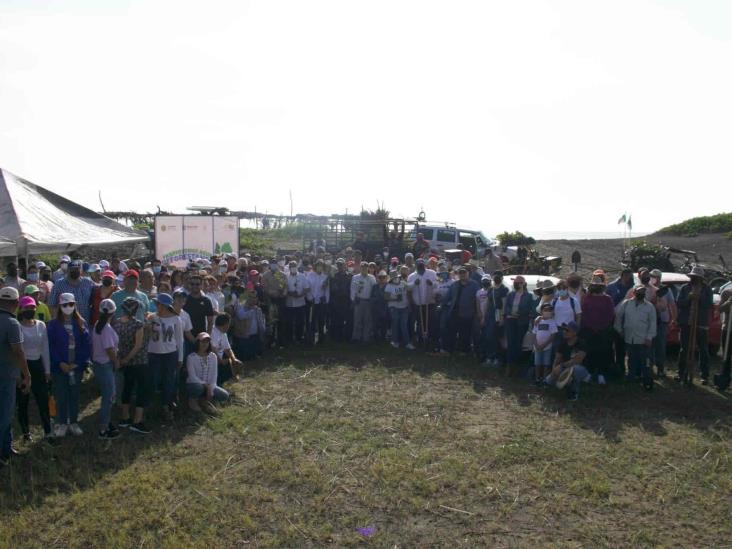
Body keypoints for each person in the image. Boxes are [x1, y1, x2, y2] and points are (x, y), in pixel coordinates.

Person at [48, 292, 91, 438]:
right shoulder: (53, 325)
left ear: (75, 305)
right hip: (59, 367)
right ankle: (61, 422)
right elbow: (51, 346)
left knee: (74, 394)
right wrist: (60, 362)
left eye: (71, 304)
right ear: (60, 306)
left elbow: (86, 345)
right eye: (65, 305)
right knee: (61, 395)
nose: (68, 307)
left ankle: (73, 422)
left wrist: (78, 363)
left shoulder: (81, 322)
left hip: (75, 367)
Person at [0, 287, 31, 464]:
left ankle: (6, 448)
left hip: (7, 373)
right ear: (16, 303)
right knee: (5, 415)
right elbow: (18, 351)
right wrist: (27, 375)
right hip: (6, 376)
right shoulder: (12, 324)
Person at [15, 296, 52, 441]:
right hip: (23, 366)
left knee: (43, 399)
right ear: (21, 309)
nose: (30, 310)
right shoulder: (17, 326)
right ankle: (25, 433)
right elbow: (16, 352)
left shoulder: (41, 325)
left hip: (38, 366)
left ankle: (48, 431)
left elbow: (45, 349)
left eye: (32, 307)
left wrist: (47, 371)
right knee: (23, 401)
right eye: (27, 308)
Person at [114, 298, 150, 434]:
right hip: (139, 361)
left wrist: (122, 359)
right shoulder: (138, 324)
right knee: (142, 389)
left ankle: (125, 418)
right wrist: (128, 358)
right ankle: (137, 421)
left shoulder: (117, 323)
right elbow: (138, 345)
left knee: (127, 388)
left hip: (124, 361)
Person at [148, 293, 184, 420]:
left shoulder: (176, 319)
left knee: (169, 380)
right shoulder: (151, 318)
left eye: (158, 304)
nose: (156, 306)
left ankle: (166, 405)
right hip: (153, 354)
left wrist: (180, 358)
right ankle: (150, 406)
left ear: (163, 305)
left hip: (170, 354)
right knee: (153, 380)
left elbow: (179, 340)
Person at [676, 266, 714, 384]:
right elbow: (679, 303)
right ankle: (681, 373)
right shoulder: (685, 288)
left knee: (703, 350)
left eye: (697, 277)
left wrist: (700, 297)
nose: (695, 279)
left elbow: (708, 304)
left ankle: (704, 376)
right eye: (693, 277)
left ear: (701, 278)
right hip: (686, 323)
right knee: (684, 349)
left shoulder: (707, 289)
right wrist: (689, 298)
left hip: (701, 324)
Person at [614, 284, 657, 389]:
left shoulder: (650, 307)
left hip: (644, 339)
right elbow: (618, 318)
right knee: (631, 360)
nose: (641, 294)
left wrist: (649, 337)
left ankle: (647, 381)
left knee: (646, 362)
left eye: (643, 292)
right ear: (634, 292)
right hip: (629, 338)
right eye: (639, 291)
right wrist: (619, 330)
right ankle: (631, 379)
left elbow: (653, 323)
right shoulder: (626, 304)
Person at [91, 299, 121, 440]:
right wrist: (116, 362)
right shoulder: (106, 329)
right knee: (108, 397)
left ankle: (106, 422)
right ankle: (103, 429)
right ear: (113, 312)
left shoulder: (98, 325)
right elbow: (109, 349)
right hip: (105, 365)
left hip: (99, 364)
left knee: (108, 395)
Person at [580, 276, 615, 385]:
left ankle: (601, 374)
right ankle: (589, 373)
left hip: (603, 331)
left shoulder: (607, 299)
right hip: (589, 330)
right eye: (594, 285)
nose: (596, 287)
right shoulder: (586, 298)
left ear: (602, 287)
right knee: (589, 352)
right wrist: (590, 326)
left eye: (598, 286)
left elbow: (610, 315)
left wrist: (602, 327)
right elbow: (583, 313)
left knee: (602, 352)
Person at [544, 321, 590, 401]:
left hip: (581, 370)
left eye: (567, 330)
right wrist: (554, 370)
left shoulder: (581, 343)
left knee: (575, 369)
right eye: (564, 329)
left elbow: (577, 361)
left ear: (575, 333)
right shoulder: (563, 343)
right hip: (565, 368)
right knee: (548, 381)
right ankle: (550, 383)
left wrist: (561, 366)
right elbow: (557, 359)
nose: (564, 332)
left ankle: (573, 392)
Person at [186, 332, 229, 413]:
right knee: (198, 388)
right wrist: (207, 386)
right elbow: (192, 377)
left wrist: (211, 389)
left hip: (209, 386)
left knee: (224, 395)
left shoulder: (213, 356)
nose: (205, 344)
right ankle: (193, 401)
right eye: (202, 341)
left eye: (207, 341)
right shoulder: (191, 357)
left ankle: (205, 401)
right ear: (197, 342)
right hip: (194, 384)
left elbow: (214, 377)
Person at [503, 275, 534, 376]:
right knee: (510, 343)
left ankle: (516, 366)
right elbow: (506, 306)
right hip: (510, 320)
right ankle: (509, 365)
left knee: (518, 343)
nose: (516, 284)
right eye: (515, 283)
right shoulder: (511, 294)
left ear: (523, 284)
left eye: (518, 283)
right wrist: (510, 313)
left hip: (521, 322)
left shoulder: (528, 296)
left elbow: (529, 308)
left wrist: (520, 313)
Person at [444, 267, 480, 354]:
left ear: (468, 273)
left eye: (464, 272)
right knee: (451, 331)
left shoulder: (474, 285)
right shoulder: (454, 284)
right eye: (460, 273)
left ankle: (465, 350)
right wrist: (445, 304)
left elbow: (478, 298)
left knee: (465, 333)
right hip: (454, 312)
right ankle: (451, 349)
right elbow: (447, 297)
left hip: (468, 313)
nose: (462, 274)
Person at [49, 260, 95, 325]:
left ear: (81, 270)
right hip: (67, 324)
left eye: (77, 269)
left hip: (85, 323)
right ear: (68, 270)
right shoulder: (59, 284)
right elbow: (51, 305)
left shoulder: (88, 283)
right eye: (72, 269)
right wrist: (58, 321)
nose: (75, 271)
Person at [606, 268, 634, 373]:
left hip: (627, 321)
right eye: (627, 275)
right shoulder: (611, 287)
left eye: (630, 276)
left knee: (621, 347)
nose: (628, 278)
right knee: (610, 345)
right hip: (612, 320)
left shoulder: (633, 288)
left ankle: (621, 368)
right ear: (622, 275)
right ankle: (610, 367)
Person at [649, 269, 676, 377]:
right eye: (652, 276)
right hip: (650, 321)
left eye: (657, 277)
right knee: (649, 345)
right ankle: (649, 368)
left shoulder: (666, 290)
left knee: (660, 345)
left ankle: (660, 368)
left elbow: (672, 304)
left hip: (662, 322)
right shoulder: (648, 288)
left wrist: (674, 318)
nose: (655, 279)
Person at [408, 259, 438, 349]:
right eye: (418, 264)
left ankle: (431, 340)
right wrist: (414, 283)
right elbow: (408, 288)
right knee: (420, 323)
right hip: (418, 304)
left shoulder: (432, 273)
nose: (420, 266)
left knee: (431, 322)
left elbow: (438, 284)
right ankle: (421, 340)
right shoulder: (412, 276)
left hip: (430, 302)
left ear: (424, 265)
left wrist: (431, 283)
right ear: (416, 265)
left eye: (422, 264)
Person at [211, 313, 243, 383]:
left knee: (230, 359)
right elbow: (213, 350)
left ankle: (231, 378)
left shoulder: (223, 333)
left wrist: (234, 359)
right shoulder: (212, 332)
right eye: (229, 324)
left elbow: (228, 349)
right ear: (225, 324)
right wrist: (220, 361)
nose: (229, 326)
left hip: (220, 357)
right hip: (212, 359)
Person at [385, 269, 412, 349]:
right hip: (394, 307)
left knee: (404, 324)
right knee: (395, 323)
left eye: (396, 276)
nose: (395, 278)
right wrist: (395, 298)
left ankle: (407, 342)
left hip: (404, 307)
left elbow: (408, 293)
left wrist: (409, 305)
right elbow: (386, 297)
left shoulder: (403, 283)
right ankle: (395, 341)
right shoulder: (389, 285)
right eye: (393, 276)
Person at [350, 261, 377, 343]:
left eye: (366, 267)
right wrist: (353, 299)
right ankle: (356, 338)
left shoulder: (372, 278)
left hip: (368, 301)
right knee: (357, 320)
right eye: (362, 267)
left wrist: (372, 300)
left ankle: (366, 338)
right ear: (360, 268)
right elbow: (352, 289)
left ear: (368, 268)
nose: (364, 268)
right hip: (358, 300)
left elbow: (374, 290)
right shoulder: (355, 277)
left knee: (367, 321)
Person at [532, 303, 558, 385]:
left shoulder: (552, 322)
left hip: (547, 347)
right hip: (537, 347)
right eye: (545, 310)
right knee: (537, 364)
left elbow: (553, 336)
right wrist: (536, 345)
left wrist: (544, 345)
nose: (547, 312)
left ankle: (544, 380)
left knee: (546, 364)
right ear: (541, 311)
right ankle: (537, 379)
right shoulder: (538, 321)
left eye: (549, 310)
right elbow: (534, 333)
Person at [284, 261, 309, 344]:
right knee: (289, 322)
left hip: (300, 303)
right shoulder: (285, 276)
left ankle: (299, 337)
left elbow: (307, 288)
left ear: (297, 267)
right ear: (289, 267)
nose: (293, 267)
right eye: (291, 266)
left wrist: (301, 295)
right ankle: (290, 338)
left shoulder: (302, 276)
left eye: (294, 266)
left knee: (300, 322)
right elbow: (283, 288)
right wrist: (290, 293)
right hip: (289, 303)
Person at [306, 260, 330, 344]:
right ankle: (311, 339)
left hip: (321, 302)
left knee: (321, 321)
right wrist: (310, 298)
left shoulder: (325, 276)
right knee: (311, 321)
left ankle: (321, 339)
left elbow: (327, 290)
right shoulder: (310, 275)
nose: (319, 267)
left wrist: (326, 301)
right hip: (312, 302)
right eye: (318, 265)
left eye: (321, 265)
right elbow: (307, 287)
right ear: (315, 266)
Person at [371, 270, 389, 342]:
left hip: (385, 308)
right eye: (380, 277)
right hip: (376, 308)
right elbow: (371, 297)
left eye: (383, 277)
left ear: (386, 278)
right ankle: (376, 338)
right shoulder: (374, 286)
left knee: (384, 325)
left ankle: (383, 338)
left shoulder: (388, 286)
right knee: (375, 325)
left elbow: (387, 298)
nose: (382, 279)